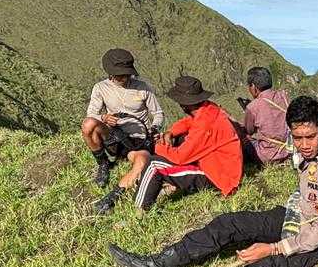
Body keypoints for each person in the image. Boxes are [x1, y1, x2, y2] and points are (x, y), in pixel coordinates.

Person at [105, 95, 318, 267]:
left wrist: (274, 248)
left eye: (310, 137)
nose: (304, 145)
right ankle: (157, 266)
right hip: (297, 215)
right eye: (298, 137)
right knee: (231, 223)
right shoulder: (306, 151)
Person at [99, 75, 243, 215]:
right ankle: (162, 186)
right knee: (179, 140)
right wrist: (170, 133)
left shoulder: (204, 125)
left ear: (183, 103)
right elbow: (188, 122)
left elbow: (180, 157)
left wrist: (157, 146)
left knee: (154, 165)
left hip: (218, 176)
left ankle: (139, 211)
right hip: (219, 165)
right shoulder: (208, 109)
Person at [82, 49, 163, 206]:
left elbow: (158, 113)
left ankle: (112, 198)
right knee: (88, 124)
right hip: (114, 136)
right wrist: (104, 117)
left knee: (142, 161)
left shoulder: (143, 87)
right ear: (110, 73)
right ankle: (103, 164)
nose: (124, 78)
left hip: (138, 140)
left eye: (127, 74)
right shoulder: (100, 88)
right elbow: (91, 114)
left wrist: (154, 128)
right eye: (120, 75)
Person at [236, 66, 291, 166]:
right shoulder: (284, 96)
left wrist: (248, 112)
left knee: (243, 138)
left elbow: (249, 131)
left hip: (269, 156)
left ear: (253, 86)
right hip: (289, 151)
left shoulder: (253, 107)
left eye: (249, 86)